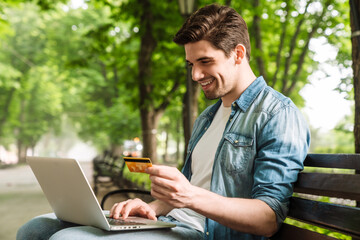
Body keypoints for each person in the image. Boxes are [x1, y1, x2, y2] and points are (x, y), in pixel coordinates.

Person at [17, 3, 310, 240]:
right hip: (172, 222)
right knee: (35, 229)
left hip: (205, 232)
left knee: (68, 239)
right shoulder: (208, 117)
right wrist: (150, 207)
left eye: (205, 61)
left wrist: (190, 196)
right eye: (191, 64)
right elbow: (183, 193)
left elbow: (268, 218)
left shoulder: (278, 114)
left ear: (238, 54)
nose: (195, 75)